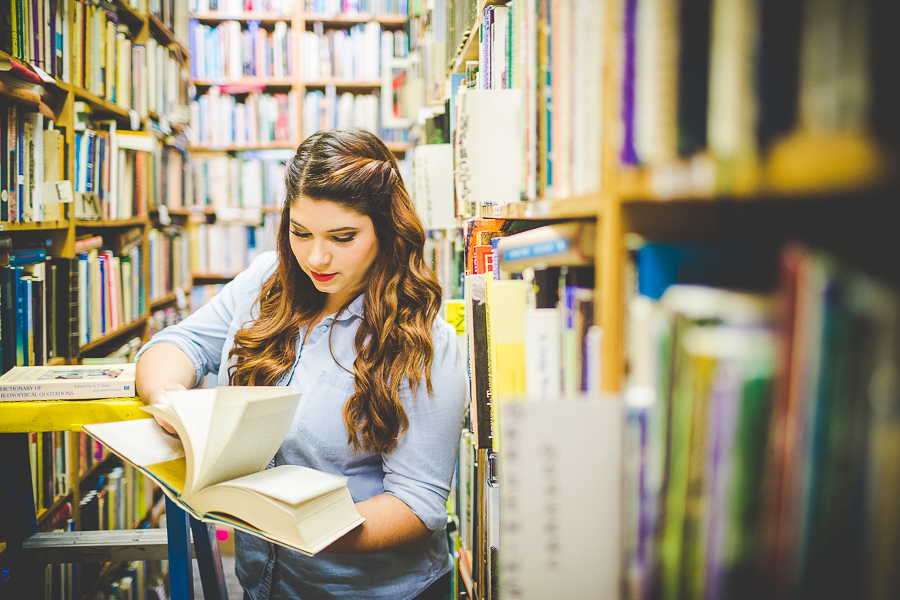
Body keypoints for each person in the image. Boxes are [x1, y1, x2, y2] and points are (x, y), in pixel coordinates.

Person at [135, 129, 468, 600]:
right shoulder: (264, 282)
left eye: (343, 237)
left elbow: (417, 507)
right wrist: (167, 396)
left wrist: (302, 525)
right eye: (300, 231)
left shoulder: (423, 340)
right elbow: (179, 343)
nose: (316, 256)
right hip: (263, 585)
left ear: (385, 230)